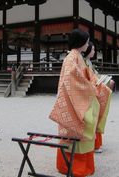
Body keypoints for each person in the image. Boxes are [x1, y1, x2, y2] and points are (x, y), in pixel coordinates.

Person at [49, 29, 100, 177]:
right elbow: (73, 80)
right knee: (78, 129)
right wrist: (91, 86)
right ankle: (74, 166)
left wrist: (94, 83)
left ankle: (80, 165)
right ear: (81, 42)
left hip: (76, 98)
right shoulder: (72, 58)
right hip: (73, 101)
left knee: (84, 129)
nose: (88, 44)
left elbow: (85, 76)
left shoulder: (76, 57)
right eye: (86, 41)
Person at [83, 42, 113, 153]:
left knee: (95, 117)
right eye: (93, 49)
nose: (94, 51)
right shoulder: (83, 62)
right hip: (88, 94)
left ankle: (95, 143)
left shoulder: (88, 62)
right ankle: (92, 144)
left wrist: (105, 80)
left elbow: (95, 76)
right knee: (92, 119)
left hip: (93, 91)